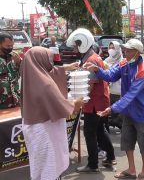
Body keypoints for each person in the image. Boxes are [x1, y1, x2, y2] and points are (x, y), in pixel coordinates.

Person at [84, 38, 144, 180]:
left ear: (137, 52)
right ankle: (131, 169)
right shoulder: (124, 63)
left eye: (128, 50)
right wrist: (97, 69)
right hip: (129, 111)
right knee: (127, 141)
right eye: (125, 50)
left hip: (143, 113)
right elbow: (110, 76)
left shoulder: (143, 71)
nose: (125, 52)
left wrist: (111, 109)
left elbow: (130, 96)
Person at [20, 46, 83, 180]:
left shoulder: (30, 75)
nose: (51, 63)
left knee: (38, 164)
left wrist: (66, 68)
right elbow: (61, 104)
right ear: (40, 61)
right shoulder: (46, 85)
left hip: (31, 126)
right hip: (44, 130)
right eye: (49, 59)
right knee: (49, 166)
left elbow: (51, 72)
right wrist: (75, 103)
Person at [66, 28, 116, 173]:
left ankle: (93, 164)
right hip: (100, 101)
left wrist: (79, 100)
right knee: (100, 130)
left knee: (90, 132)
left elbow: (90, 84)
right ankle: (110, 157)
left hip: (94, 103)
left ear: (82, 43)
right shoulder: (93, 57)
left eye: (76, 45)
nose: (75, 48)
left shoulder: (91, 59)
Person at [104, 41, 123, 130]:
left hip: (119, 90)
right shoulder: (106, 61)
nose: (111, 50)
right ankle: (108, 126)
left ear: (118, 49)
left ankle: (119, 125)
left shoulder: (123, 62)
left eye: (113, 48)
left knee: (118, 111)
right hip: (109, 90)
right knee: (109, 111)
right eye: (110, 48)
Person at [0, 31, 22, 109]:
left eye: (12, 46)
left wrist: (19, 63)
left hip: (15, 101)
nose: (10, 48)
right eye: (7, 46)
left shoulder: (14, 56)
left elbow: (23, 72)